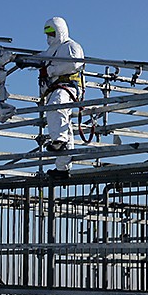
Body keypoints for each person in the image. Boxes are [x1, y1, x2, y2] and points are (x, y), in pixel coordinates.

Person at [36, 17, 84, 176]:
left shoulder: (71, 46)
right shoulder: (51, 51)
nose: (49, 36)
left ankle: (59, 142)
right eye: (47, 33)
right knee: (64, 124)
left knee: (56, 107)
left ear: (59, 30)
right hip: (55, 88)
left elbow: (74, 64)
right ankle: (62, 168)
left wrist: (51, 71)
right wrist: (18, 59)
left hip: (67, 86)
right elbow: (40, 59)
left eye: (51, 32)